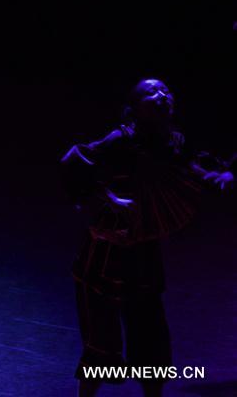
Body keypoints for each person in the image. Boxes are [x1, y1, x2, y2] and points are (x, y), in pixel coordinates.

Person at [61, 79, 230, 397]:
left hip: (143, 255)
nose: (163, 95)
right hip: (104, 254)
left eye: (166, 90)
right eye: (152, 92)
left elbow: (198, 170)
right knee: (101, 338)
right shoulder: (120, 140)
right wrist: (107, 197)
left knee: (150, 334)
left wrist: (224, 175)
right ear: (134, 109)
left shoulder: (174, 144)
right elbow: (74, 162)